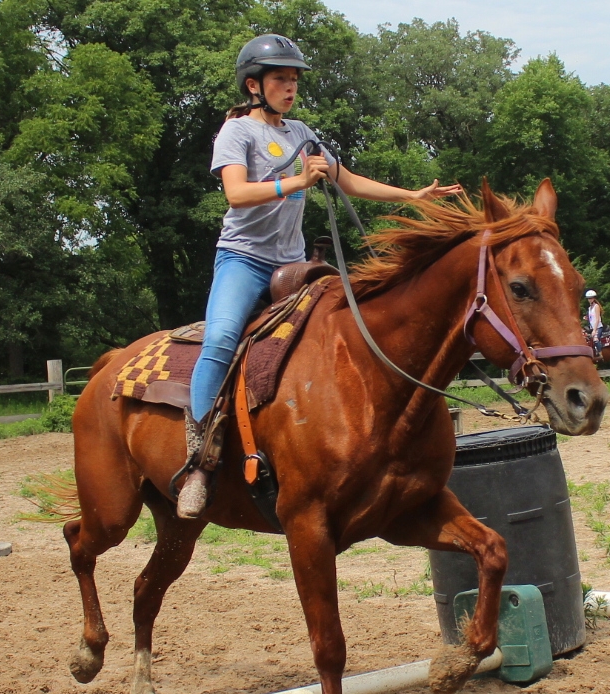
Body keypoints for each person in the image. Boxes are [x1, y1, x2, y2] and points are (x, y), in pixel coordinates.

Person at [178, 34, 463, 518]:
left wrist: (411, 196)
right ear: (254, 85)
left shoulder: (302, 133)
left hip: (294, 265)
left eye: (294, 79)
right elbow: (236, 195)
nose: (291, 87)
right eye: (280, 79)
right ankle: (200, 463)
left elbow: (346, 180)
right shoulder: (236, 133)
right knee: (222, 338)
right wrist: (296, 180)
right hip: (243, 259)